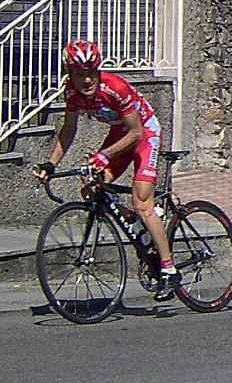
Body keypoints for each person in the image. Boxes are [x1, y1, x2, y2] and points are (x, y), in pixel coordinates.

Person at [33, 40, 179, 301]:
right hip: (120, 134)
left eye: (91, 72)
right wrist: (50, 163)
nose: (86, 79)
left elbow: (136, 132)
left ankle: (169, 269)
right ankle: (136, 224)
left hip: (145, 133)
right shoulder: (72, 93)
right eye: (79, 74)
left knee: (142, 202)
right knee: (90, 188)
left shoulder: (115, 87)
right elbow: (68, 130)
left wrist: (104, 155)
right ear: (70, 74)